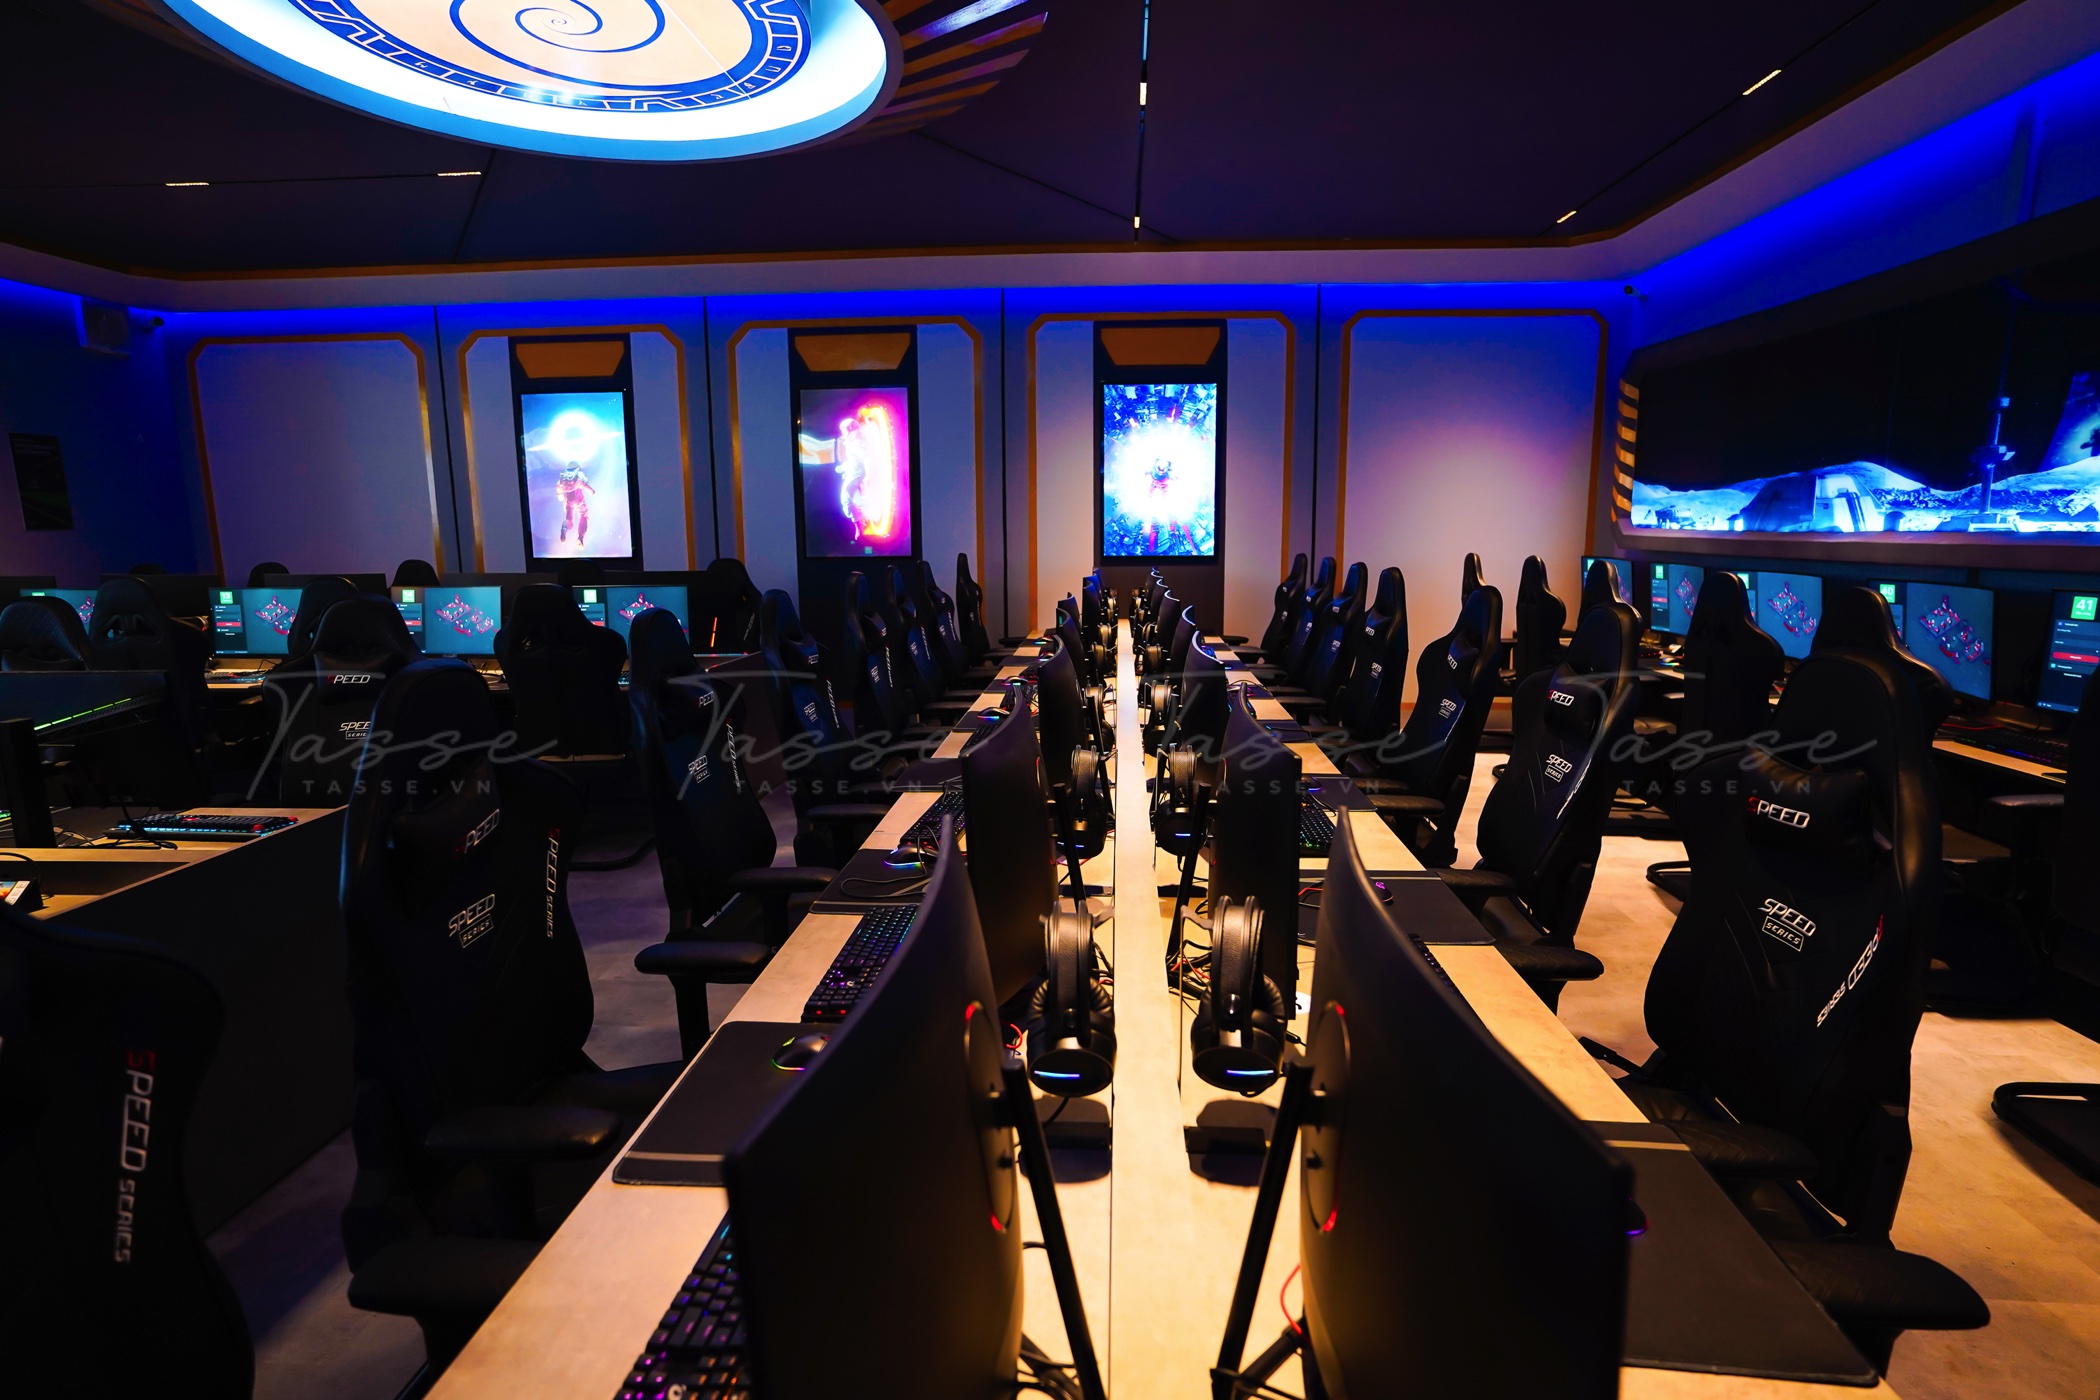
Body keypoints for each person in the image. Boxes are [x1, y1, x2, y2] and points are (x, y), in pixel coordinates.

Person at [556, 460, 596, 546]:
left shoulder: (563, 479)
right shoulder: (579, 477)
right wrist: (592, 492)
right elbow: (585, 486)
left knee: (569, 520)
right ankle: (580, 537)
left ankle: (564, 528)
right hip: (579, 500)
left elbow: (559, 491)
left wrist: (560, 496)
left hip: (568, 501)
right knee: (583, 517)